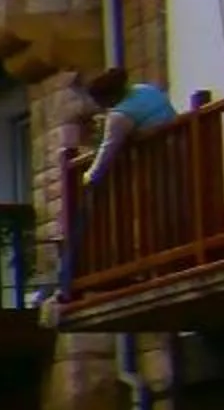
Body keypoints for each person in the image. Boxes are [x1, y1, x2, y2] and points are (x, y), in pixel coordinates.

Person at [45, 67, 177, 305]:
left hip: (162, 158)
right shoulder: (145, 91)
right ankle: (169, 259)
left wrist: (89, 176)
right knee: (175, 205)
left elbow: (108, 150)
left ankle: (163, 263)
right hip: (181, 146)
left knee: (162, 211)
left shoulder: (120, 115)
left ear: (108, 98)